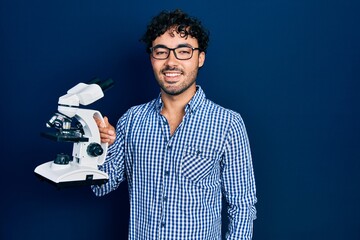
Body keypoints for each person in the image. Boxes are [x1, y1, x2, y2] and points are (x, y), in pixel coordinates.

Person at [92, 9, 257, 240]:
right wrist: (99, 147)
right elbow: (101, 187)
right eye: (161, 51)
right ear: (151, 57)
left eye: (183, 51)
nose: (171, 62)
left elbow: (242, 206)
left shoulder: (228, 124)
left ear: (200, 58)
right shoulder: (131, 120)